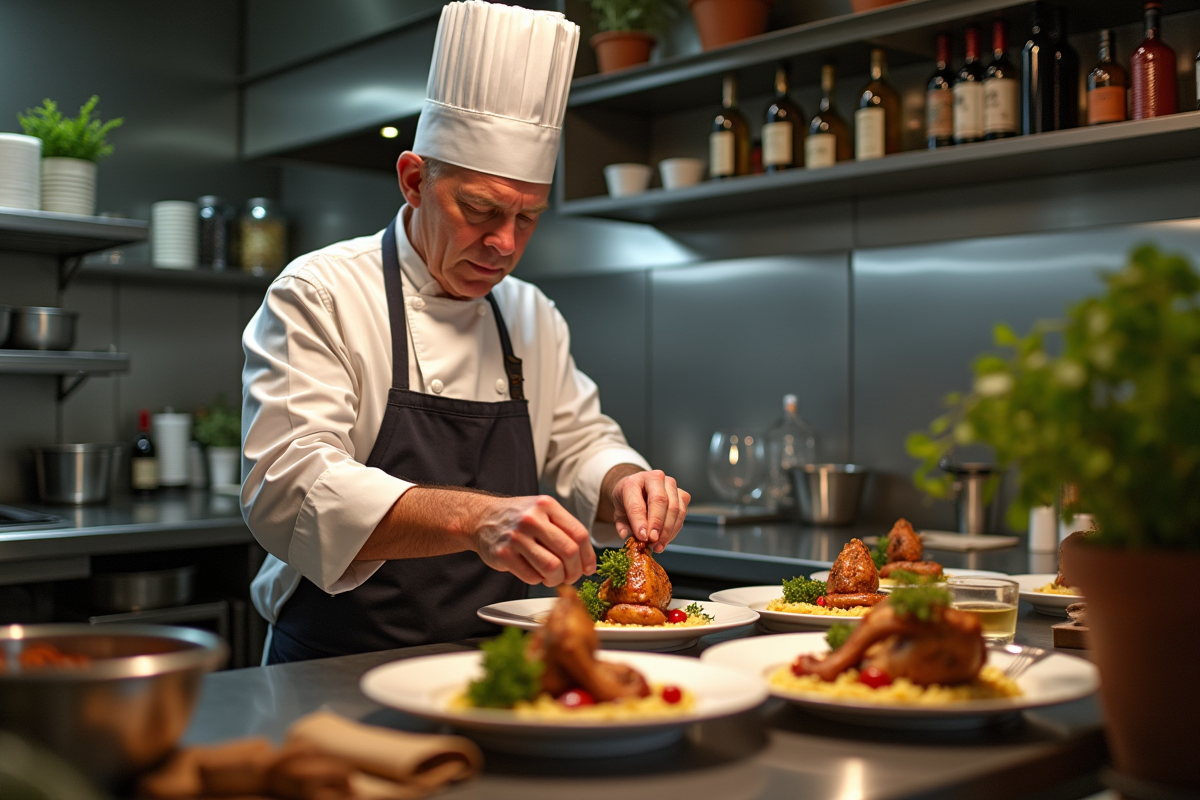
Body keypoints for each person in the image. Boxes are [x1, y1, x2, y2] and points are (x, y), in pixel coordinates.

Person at [240, 0, 691, 664]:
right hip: (337, 664)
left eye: (528, 218)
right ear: (415, 180)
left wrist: (624, 481)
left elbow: (578, 443)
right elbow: (289, 486)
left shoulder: (530, 313)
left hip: (499, 662)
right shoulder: (321, 292)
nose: (503, 244)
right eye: (479, 209)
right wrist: (476, 519)